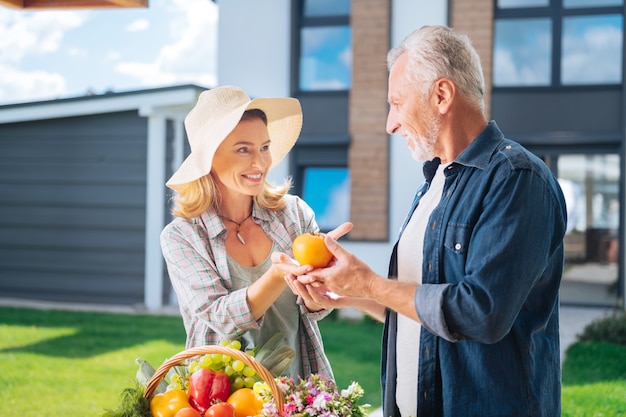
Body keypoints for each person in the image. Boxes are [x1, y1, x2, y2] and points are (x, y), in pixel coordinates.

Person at [285, 25, 567, 416]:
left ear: (441, 95)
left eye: (397, 103)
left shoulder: (517, 179)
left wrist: (370, 282)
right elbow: (424, 312)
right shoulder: (433, 183)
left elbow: (481, 312)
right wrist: (351, 293)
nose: (390, 123)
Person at [160, 85, 350, 380]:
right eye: (243, 149)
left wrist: (319, 283)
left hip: (299, 387)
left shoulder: (294, 213)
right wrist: (277, 275)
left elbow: (313, 308)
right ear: (209, 159)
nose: (260, 162)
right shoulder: (182, 237)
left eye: (264, 147)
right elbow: (222, 318)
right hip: (220, 394)